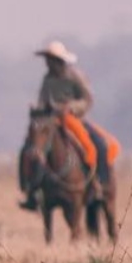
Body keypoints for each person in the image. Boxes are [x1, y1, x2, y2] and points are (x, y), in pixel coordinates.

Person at [19, 40, 112, 210]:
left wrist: (70, 107)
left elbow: (87, 100)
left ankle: (99, 185)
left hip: (73, 120)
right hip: (49, 122)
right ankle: (31, 190)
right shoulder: (47, 79)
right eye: (46, 59)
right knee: (29, 149)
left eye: (50, 59)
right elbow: (42, 100)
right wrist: (38, 110)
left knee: (98, 144)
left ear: (58, 61)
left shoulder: (75, 77)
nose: (47, 63)